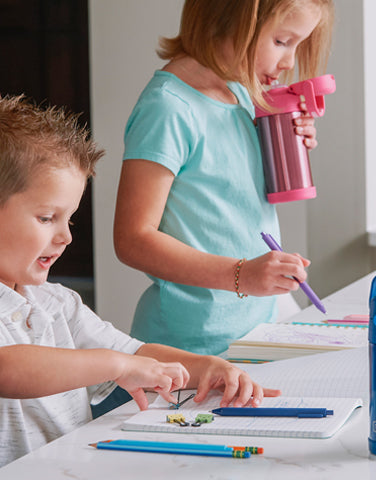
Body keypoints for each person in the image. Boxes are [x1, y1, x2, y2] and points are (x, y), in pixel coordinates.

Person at [0, 94, 281, 467]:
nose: (66, 236)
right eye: (47, 217)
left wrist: (208, 367)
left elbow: (136, 353)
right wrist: (116, 366)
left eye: (70, 220)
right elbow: (8, 368)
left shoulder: (56, 303)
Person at [113, 0, 335, 354]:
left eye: (298, 44)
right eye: (281, 41)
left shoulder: (241, 94)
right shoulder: (168, 108)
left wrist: (286, 141)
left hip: (254, 330)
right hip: (188, 347)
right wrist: (242, 274)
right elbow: (132, 240)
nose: (290, 62)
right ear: (228, 19)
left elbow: (232, 196)